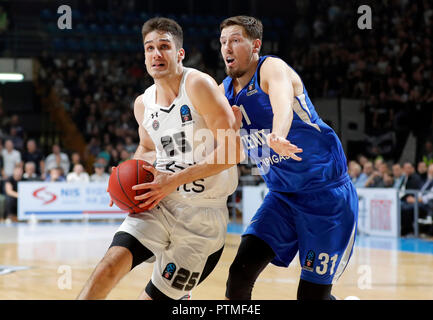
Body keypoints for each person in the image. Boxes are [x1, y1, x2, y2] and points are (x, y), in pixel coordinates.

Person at [77, 17, 242, 300]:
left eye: (164, 47)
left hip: (202, 219)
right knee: (106, 269)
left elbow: (233, 152)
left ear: (179, 54)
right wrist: (124, 178)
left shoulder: (199, 85)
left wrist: (173, 180)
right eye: (149, 48)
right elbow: (146, 148)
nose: (156, 54)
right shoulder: (143, 103)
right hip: (159, 203)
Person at [219, 16, 358, 300]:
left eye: (235, 40)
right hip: (282, 197)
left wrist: (277, 136)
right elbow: (223, 149)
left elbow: (282, 106)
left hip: (325, 196)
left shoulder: (272, 68)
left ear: (255, 44)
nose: (227, 48)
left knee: (311, 297)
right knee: (239, 274)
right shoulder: (225, 92)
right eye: (223, 42)